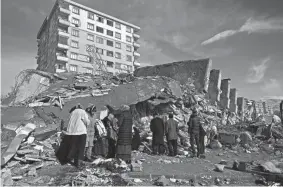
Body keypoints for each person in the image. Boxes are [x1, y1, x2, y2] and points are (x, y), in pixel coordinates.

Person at [56, 104, 90, 169]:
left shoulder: (72, 112)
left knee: (74, 147)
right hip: (81, 132)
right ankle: (78, 164)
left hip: (71, 133)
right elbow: (87, 122)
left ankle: (72, 161)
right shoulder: (82, 112)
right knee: (81, 149)